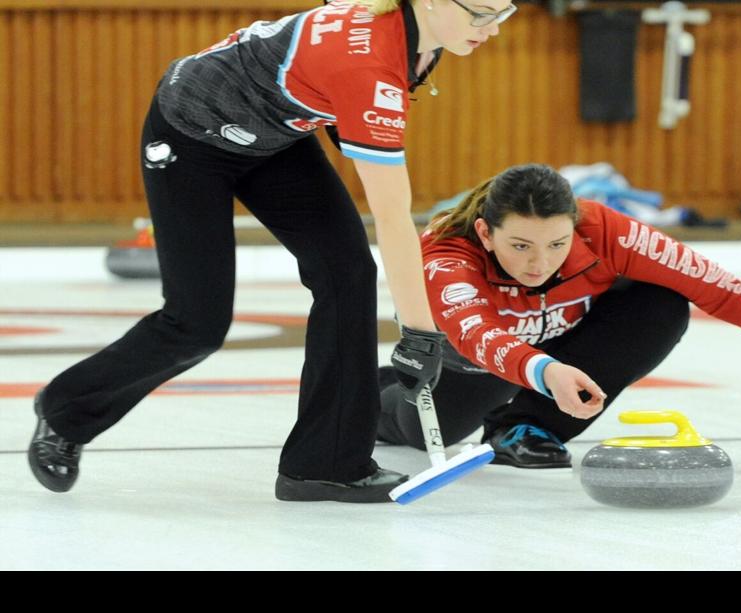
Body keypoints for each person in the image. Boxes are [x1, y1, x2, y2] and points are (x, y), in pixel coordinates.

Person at [28, 0, 518, 503]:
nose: (493, 30)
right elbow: (392, 218)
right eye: (482, 13)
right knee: (195, 323)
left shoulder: (420, 39)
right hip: (192, 134)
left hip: (276, 135)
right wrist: (419, 334)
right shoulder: (371, 64)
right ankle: (65, 409)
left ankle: (324, 465)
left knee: (346, 272)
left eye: (505, 13)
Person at [376, 163, 741, 465]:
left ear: (575, 225)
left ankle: (525, 429)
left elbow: (721, 289)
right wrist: (543, 370)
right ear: (487, 233)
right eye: (519, 247)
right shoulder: (447, 252)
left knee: (662, 302)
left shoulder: (606, 231)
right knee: (430, 433)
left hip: (558, 352)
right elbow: (477, 334)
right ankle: (373, 391)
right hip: (475, 360)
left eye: (556, 244)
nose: (538, 264)